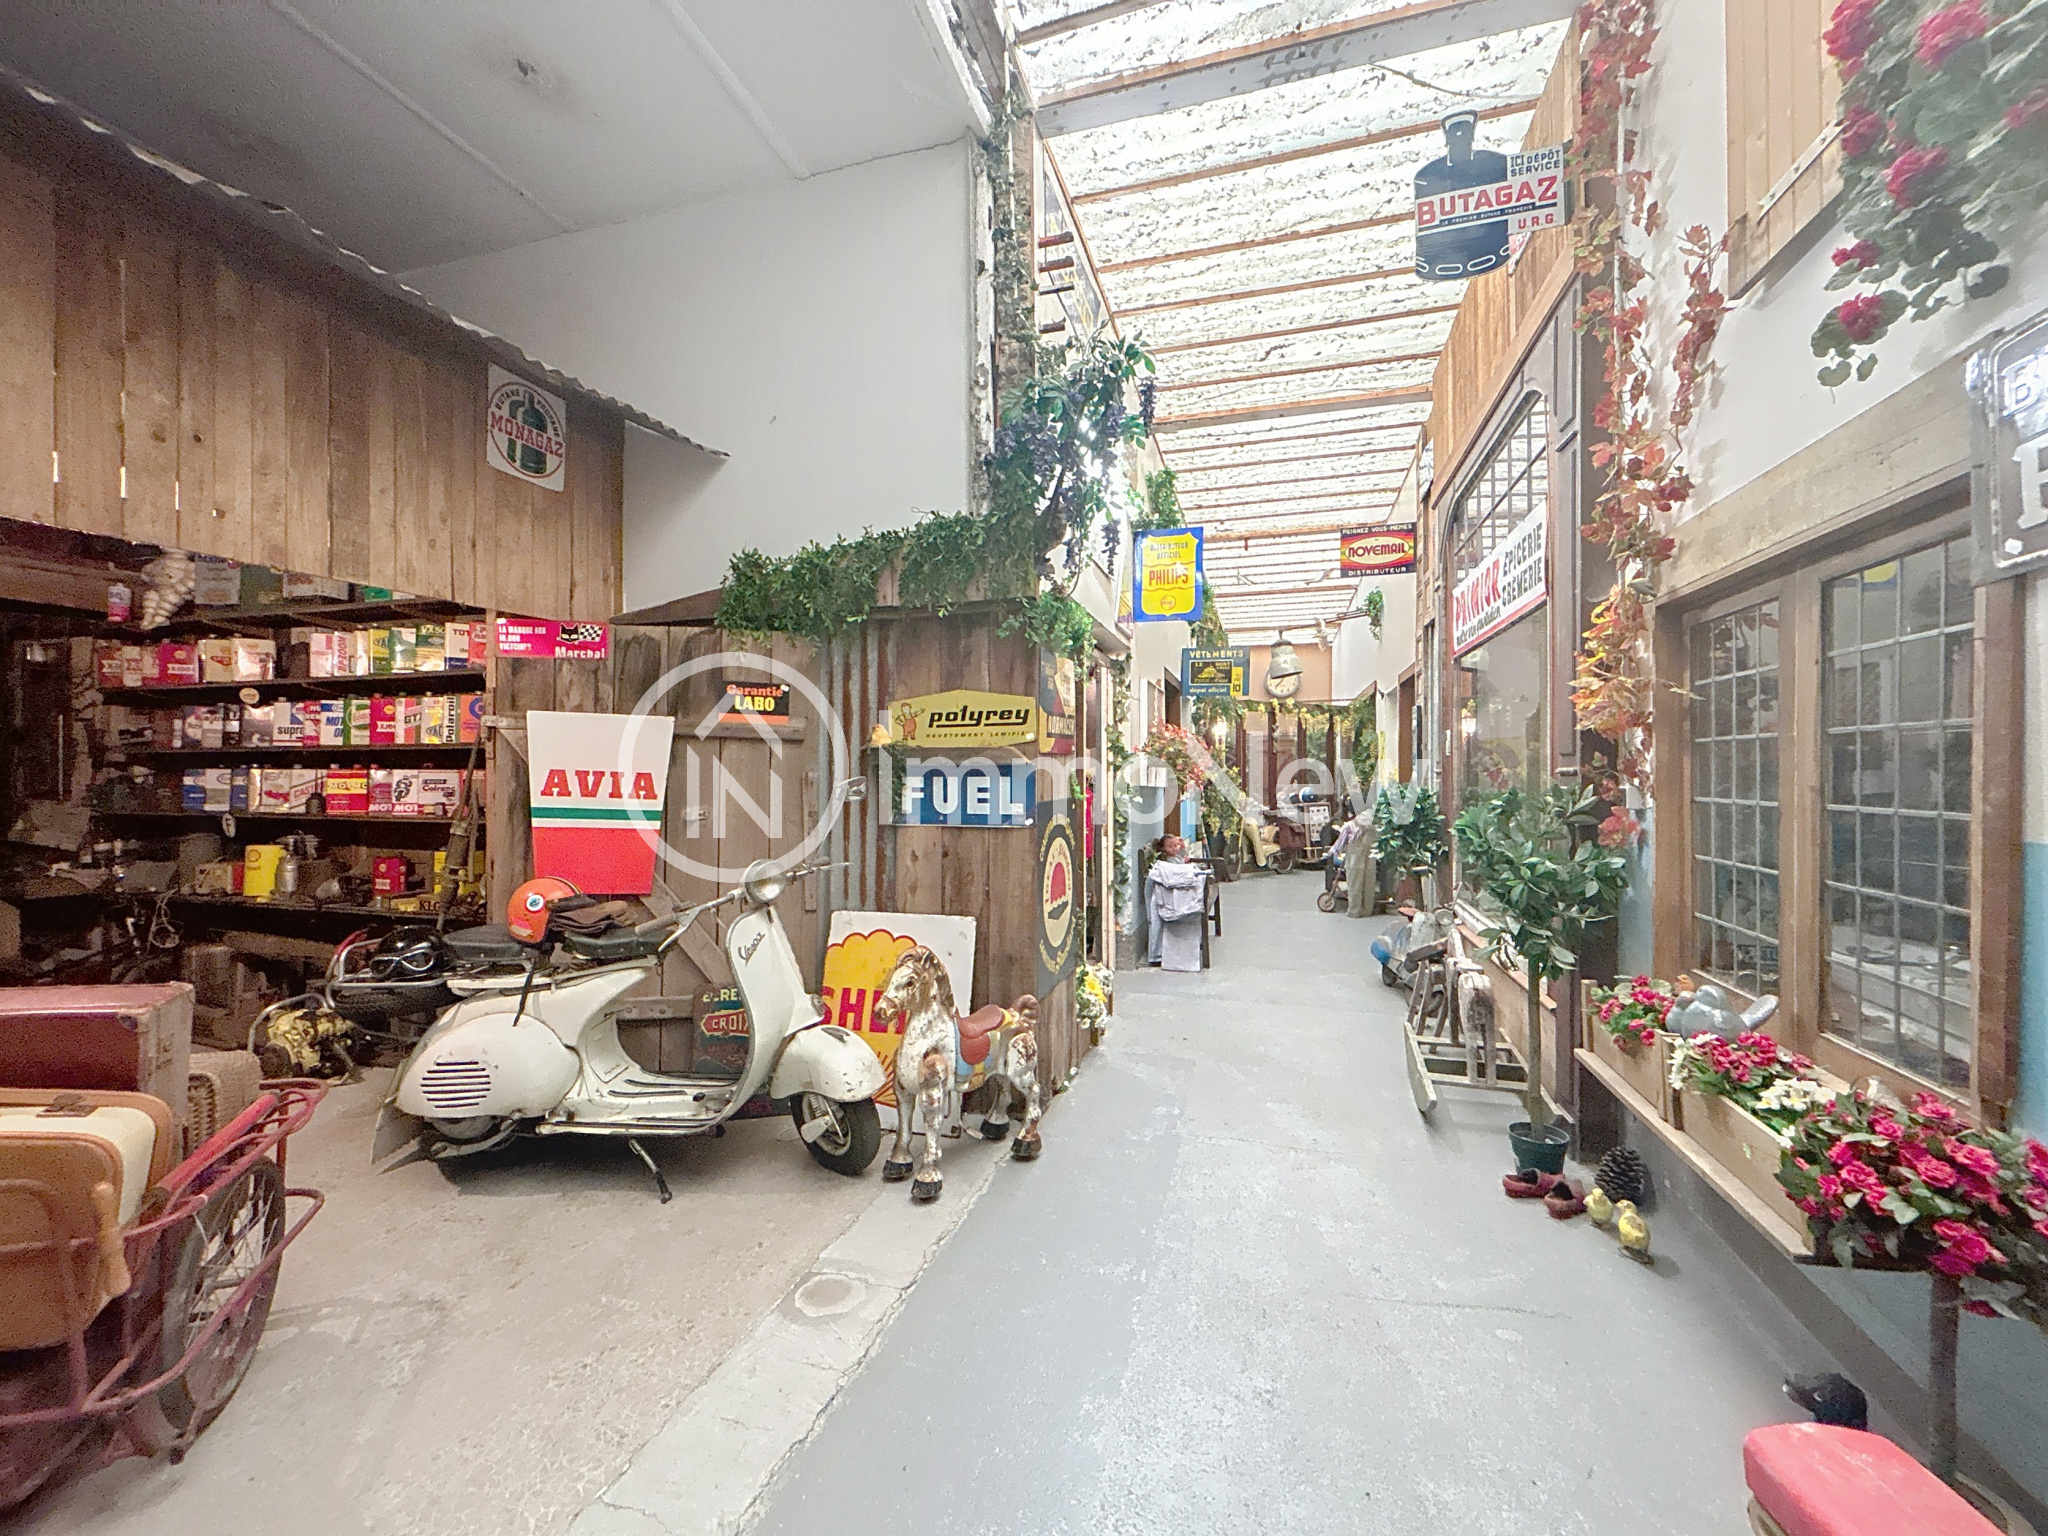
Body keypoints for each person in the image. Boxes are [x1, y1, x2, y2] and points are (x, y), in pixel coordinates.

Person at [1413, 108, 1511, 281]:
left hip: (1491, 253)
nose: (1460, 139)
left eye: (1464, 134)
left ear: (1471, 136)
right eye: (1456, 135)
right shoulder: (1428, 177)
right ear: (1448, 139)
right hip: (1445, 260)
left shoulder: (1493, 164)